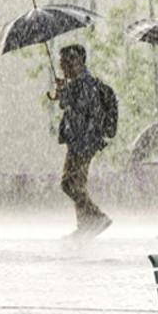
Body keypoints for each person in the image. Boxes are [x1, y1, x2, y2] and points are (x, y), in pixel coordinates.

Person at [54, 44, 112, 239]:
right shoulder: (77, 84)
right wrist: (63, 92)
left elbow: (80, 111)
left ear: (76, 63)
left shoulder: (85, 84)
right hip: (78, 141)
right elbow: (69, 106)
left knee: (69, 184)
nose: (62, 67)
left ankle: (97, 217)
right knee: (76, 183)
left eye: (65, 63)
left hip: (84, 142)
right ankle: (85, 226)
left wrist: (65, 94)